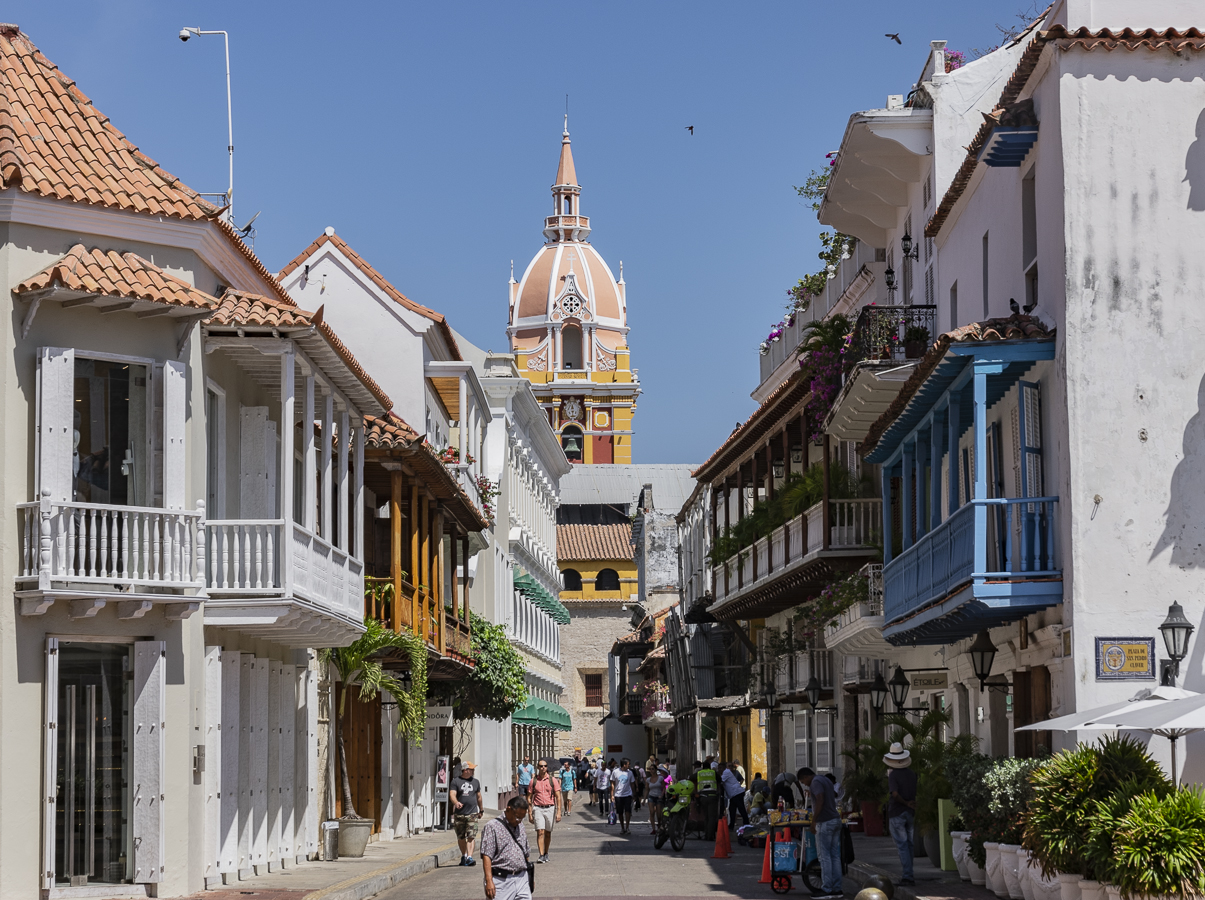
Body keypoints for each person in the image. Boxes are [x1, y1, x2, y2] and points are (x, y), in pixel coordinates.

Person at [800, 767, 842, 900]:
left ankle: (827, 889)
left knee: (824, 857)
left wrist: (814, 821)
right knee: (834, 855)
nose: (804, 783)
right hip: (835, 819)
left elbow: (820, 799)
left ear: (806, 776)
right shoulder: (825, 780)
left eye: (803, 781)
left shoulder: (815, 782)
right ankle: (836, 888)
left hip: (825, 822)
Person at [481, 795, 532, 900]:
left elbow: (525, 852)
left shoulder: (520, 826)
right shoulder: (492, 826)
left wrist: (530, 877)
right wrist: (489, 880)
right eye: (517, 817)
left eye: (522, 818)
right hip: (502, 881)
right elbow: (487, 855)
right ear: (509, 809)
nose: (519, 821)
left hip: (522, 878)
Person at [885, 741, 918, 886]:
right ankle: (909, 873)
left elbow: (895, 793)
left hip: (897, 812)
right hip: (910, 812)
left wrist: (904, 802)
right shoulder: (912, 774)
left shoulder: (893, 775)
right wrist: (909, 803)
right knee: (909, 845)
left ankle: (907, 876)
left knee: (902, 845)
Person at [450, 761, 483, 867]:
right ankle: (464, 855)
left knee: (471, 836)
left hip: (472, 813)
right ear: (465, 770)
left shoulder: (476, 782)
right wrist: (456, 802)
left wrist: (481, 810)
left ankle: (469, 857)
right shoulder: (455, 781)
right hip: (459, 814)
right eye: (471, 769)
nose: (473, 771)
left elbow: (479, 797)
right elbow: (452, 794)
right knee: (460, 837)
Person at [528, 759, 561, 863]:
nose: (543, 768)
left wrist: (559, 811)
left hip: (550, 808)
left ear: (547, 767)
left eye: (545, 766)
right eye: (541, 766)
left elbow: (558, 796)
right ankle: (541, 854)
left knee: (547, 833)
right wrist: (529, 812)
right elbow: (529, 797)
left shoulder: (552, 780)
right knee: (540, 832)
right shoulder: (533, 781)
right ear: (538, 767)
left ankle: (546, 853)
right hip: (538, 808)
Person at [610, 757, 636, 834]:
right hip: (618, 795)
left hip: (628, 794)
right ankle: (622, 827)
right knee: (620, 812)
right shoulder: (615, 772)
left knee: (628, 811)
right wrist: (612, 795)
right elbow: (612, 784)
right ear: (624, 765)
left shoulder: (630, 773)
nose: (629, 765)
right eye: (628, 764)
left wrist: (634, 794)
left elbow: (632, 784)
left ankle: (627, 827)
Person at [722, 760, 748, 829]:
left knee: (740, 808)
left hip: (736, 792)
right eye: (729, 766)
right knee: (732, 809)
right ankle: (732, 824)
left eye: (731, 766)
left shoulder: (726, 772)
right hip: (735, 793)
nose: (730, 768)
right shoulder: (729, 772)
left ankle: (746, 823)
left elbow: (721, 781)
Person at [647, 763, 669, 833]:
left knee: (659, 814)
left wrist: (662, 795)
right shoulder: (648, 779)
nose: (651, 770)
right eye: (650, 769)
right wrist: (644, 799)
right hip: (651, 796)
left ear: (656, 770)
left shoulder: (660, 778)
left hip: (658, 796)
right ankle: (653, 829)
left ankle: (659, 825)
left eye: (652, 769)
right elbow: (647, 789)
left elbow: (664, 788)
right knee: (652, 812)